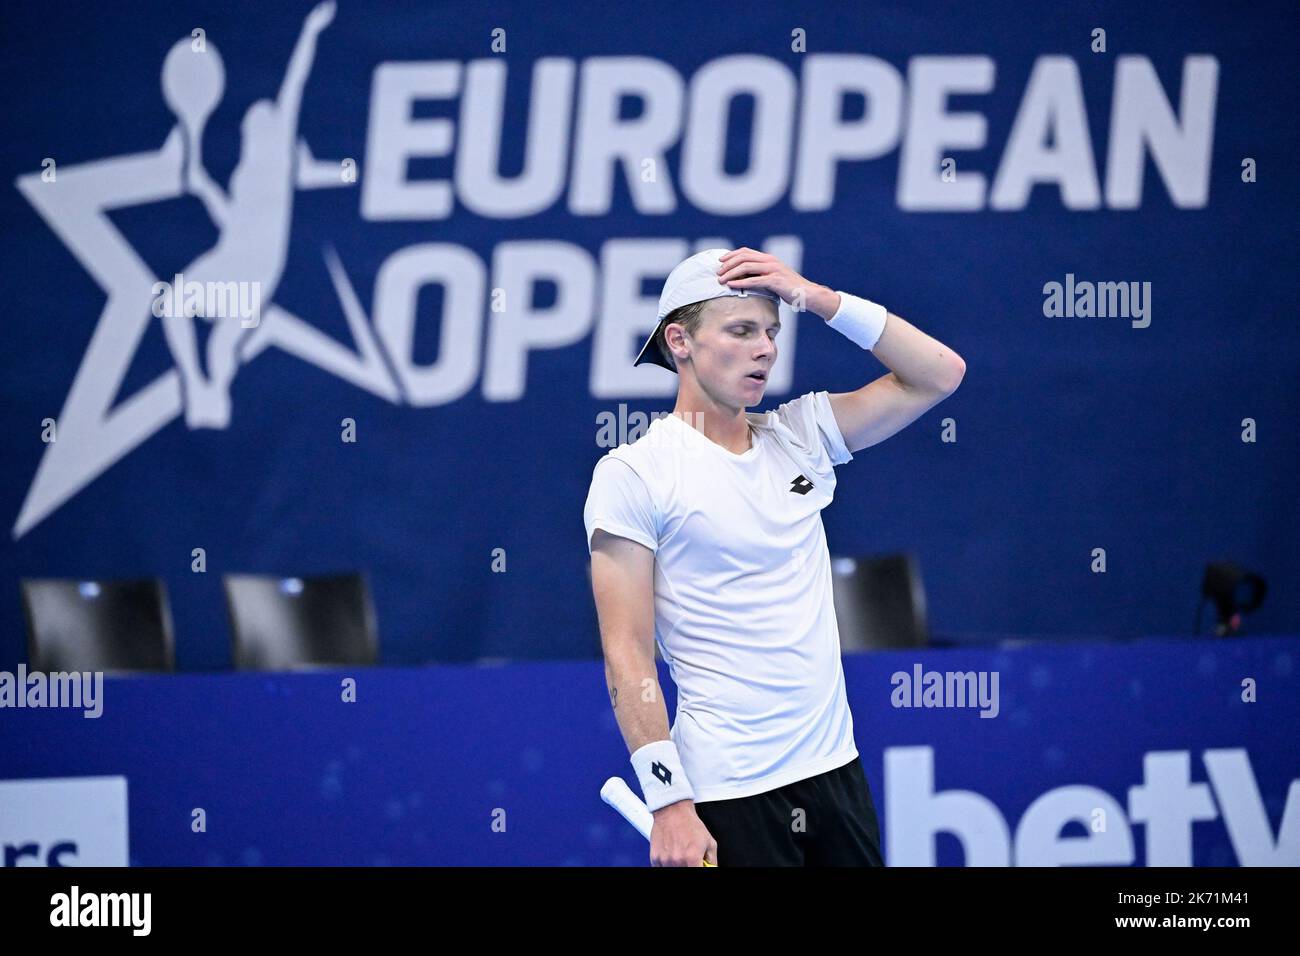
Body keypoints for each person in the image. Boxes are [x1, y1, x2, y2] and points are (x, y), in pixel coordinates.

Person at [584, 247, 966, 866]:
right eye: (741, 331)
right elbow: (627, 656)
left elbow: (939, 373)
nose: (765, 348)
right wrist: (670, 803)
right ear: (679, 341)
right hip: (728, 792)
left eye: (771, 331)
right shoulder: (633, 475)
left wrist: (818, 298)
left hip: (835, 771)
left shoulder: (801, 435)